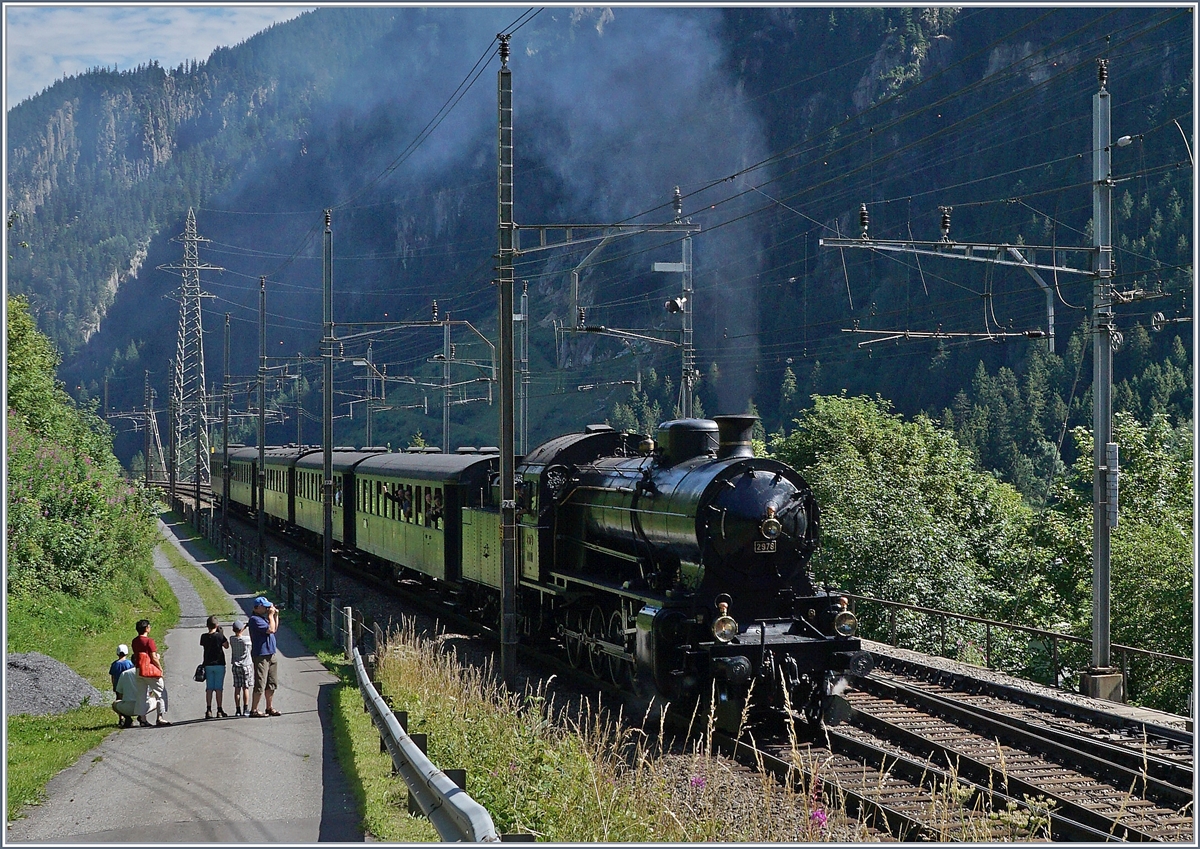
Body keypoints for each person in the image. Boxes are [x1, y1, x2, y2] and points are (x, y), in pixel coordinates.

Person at [131, 619, 170, 727]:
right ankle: (160, 717)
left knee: (141, 694)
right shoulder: (149, 641)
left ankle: (142, 718)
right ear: (147, 628)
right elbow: (153, 657)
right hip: (150, 671)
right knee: (161, 692)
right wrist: (160, 668)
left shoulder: (135, 641)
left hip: (139, 669)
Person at [247, 596, 281, 717]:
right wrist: (271, 616)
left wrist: (275, 616)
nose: (267, 608)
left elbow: (274, 628)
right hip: (261, 655)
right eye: (264, 606)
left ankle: (269, 707)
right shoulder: (255, 620)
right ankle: (254, 709)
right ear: (257, 608)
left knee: (271, 683)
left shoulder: (264, 619)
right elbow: (271, 630)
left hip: (271, 653)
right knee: (260, 682)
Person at [199, 615, 230, 718]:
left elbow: (203, 644)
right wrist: (221, 633)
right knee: (219, 688)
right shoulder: (220, 636)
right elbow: (226, 646)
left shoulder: (204, 637)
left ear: (207, 625)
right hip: (219, 664)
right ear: (217, 625)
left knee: (209, 688)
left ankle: (208, 710)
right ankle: (219, 710)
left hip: (208, 664)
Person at [228, 619, 253, 717]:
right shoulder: (246, 639)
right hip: (246, 665)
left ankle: (237, 710)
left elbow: (237, 634)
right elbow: (250, 642)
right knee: (245, 688)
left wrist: (242, 629)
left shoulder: (231, 639)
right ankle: (245, 709)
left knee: (237, 688)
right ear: (242, 629)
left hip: (235, 666)